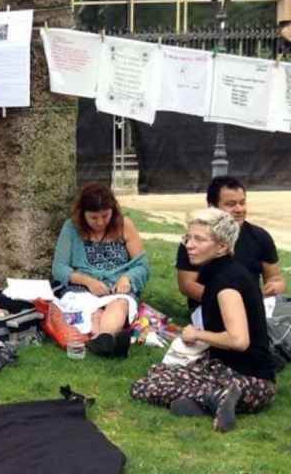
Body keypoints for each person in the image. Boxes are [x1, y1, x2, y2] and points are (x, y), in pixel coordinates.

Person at [131, 208, 276, 432]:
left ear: (221, 247)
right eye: (188, 237)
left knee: (144, 388)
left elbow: (238, 340)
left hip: (251, 381)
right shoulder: (221, 272)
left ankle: (215, 396)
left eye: (199, 239)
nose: (189, 244)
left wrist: (197, 334)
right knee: (156, 373)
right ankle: (208, 401)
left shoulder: (227, 282)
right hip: (226, 369)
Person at [52, 182, 149, 358]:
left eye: (105, 216)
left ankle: (102, 338)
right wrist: (87, 281)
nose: (100, 222)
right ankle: (104, 340)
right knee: (91, 309)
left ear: (113, 210)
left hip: (117, 287)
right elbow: (59, 268)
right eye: (93, 218)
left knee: (119, 304)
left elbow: (142, 265)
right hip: (82, 286)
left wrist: (127, 278)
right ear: (82, 215)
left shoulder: (124, 225)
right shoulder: (71, 227)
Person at [176, 176, 284, 312]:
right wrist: (230, 302)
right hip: (209, 307)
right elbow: (187, 285)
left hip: (253, 305)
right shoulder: (195, 240)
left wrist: (275, 285)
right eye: (231, 204)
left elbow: (274, 277)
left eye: (242, 203)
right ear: (212, 207)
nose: (239, 209)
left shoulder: (260, 236)